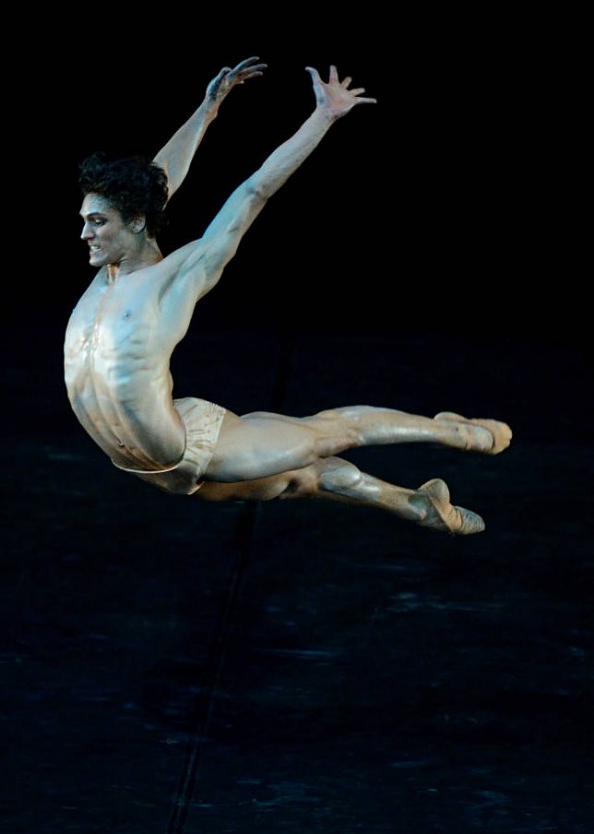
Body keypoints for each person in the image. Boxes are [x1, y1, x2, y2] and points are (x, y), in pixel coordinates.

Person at [64, 57, 512, 535]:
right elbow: (155, 183)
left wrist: (323, 116)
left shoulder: (179, 275)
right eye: (85, 221)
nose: (85, 235)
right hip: (155, 469)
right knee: (299, 481)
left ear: (133, 224)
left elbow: (255, 189)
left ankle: (459, 433)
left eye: (97, 222)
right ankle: (418, 507)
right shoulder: (106, 278)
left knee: (331, 434)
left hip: (195, 450)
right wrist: (208, 109)